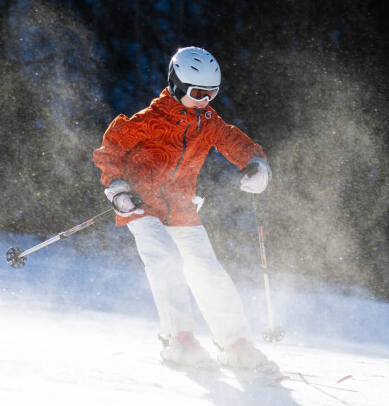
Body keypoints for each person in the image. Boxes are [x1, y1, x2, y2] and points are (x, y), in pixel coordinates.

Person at [93, 46, 276, 373]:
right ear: (177, 85)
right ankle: (179, 339)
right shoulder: (149, 121)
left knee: (207, 269)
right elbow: (111, 150)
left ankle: (235, 343)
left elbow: (232, 140)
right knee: (165, 259)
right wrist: (118, 189)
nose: (205, 100)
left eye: (212, 93)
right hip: (139, 204)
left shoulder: (207, 121)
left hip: (180, 205)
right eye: (197, 93)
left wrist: (256, 164)